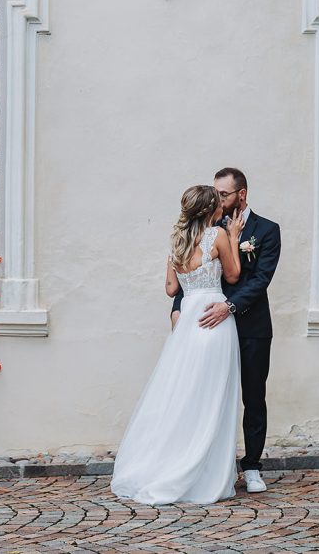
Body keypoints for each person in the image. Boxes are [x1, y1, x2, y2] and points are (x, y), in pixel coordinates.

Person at [111, 184, 244, 505]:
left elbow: (171, 288)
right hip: (215, 317)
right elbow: (234, 275)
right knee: (213, 394)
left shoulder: (177, 242)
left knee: (182, 390)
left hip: (187, 320)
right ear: (212, 209)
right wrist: (236, 241)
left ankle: (167, 460)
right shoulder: (219, 236)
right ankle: (204, 472)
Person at [171, 167, 281, 494]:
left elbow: (260, 280)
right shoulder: (209, 228)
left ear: (241, 195)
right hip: (209, 329)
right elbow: (190, 273)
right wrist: (177, 309)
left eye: (224, 194)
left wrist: (229, 307)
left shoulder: (267, 230)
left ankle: (252, 467)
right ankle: (209, 465)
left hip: (251, 326)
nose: (218, 199)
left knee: (252, 395)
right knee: (206, 396)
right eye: (216, 194)